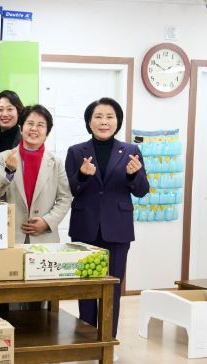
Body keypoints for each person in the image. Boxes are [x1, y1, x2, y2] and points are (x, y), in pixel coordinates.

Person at [65, 97, 149, 339]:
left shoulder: (131, 151)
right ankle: (87, 339)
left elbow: (142, 190)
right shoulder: (76, 151)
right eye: (98, 116)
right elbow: (71, 189)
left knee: (112, 287)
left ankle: (107, 341)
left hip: (118, 229)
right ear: (89, 122)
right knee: (86, 287)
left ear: (117, 121)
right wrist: (82, 175)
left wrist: (134, 175)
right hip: (85, 227)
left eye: (110, 116)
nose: (104, 121)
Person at [0, 104, 72, 244]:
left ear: (47, 133)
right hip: (10, 237)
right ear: (21, 129)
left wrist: (47, 222)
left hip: (44, 239)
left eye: (40, 125)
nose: (34, 128)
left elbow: (65, 198)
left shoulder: (55, 162)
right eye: (30, 123)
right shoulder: (3, 157)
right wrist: (9, 172)